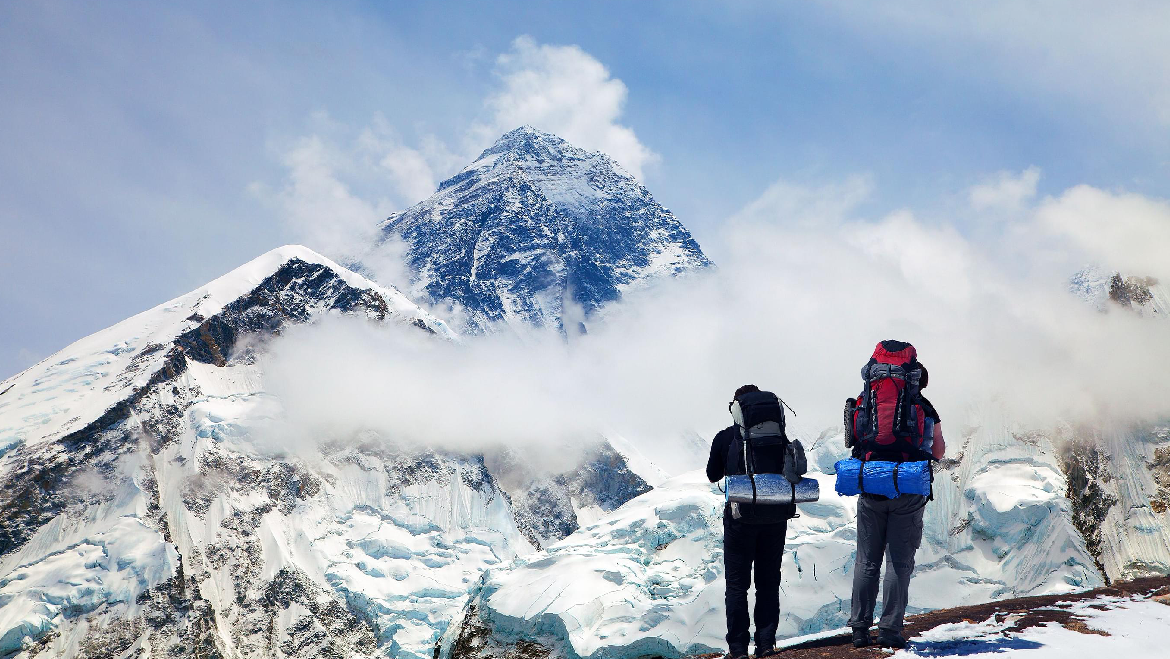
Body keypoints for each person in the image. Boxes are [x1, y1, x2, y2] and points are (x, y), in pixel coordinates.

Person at [846, 341, 945, 649]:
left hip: (872, 487)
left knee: (866, 561)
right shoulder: (924, 408)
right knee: (898, 563)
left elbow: (852, 441)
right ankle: (890, 631)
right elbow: (939, 452)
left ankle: (860, 630)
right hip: (908, 489)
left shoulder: (864, 402)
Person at [706, 384, 795, 659]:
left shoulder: (725, 438)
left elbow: (712, 475)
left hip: (739, 519)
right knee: (768, 582)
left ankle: (738, 649)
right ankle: (766, 644)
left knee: (737, 585)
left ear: (736, 410)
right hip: (775, 518)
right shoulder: (779, 437)